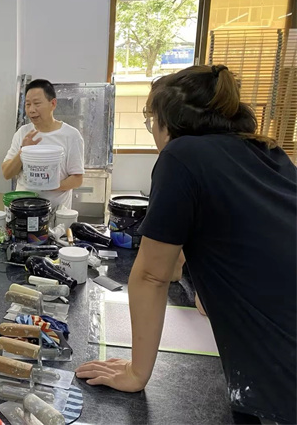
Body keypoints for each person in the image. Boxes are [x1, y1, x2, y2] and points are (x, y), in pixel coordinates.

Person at [76, 65, 296, 424]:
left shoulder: (182, 155)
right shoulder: (267, 152)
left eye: (151, 122)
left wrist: (136, 372)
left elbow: (152, 276)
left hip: (279, 368)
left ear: (168, 121)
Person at [2, 79, 84, 210]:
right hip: (23, 210)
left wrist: (50, 185)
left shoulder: (71, 135)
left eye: (37, 104)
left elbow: (77, 179)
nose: (31, 110)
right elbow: (7, 173)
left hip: (56, 212)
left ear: (53, 104)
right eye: (28, 104)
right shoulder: (23, 133)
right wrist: (23, 150)